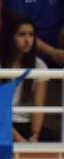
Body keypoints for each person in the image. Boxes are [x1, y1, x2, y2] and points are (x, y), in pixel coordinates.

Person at [2, 13, 47, 143]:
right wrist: (19, 139)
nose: (28, 40)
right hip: (4, 123)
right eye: (22, 35)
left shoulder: (39, 65)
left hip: (26, 124)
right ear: (10, 36)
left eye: (31, 35)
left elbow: (39, 107)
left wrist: (35, 135)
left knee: (54, 141)